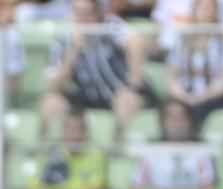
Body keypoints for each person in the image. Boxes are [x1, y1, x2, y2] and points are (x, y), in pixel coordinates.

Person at [40, 0, 151, 141]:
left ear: (98, 13)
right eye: (78, 14)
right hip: (83, 95)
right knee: (50, 102)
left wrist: (133, 87)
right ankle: (45, 152)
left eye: (87, 14)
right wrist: (73, 51)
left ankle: (116, 151)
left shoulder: (109, 26)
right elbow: (52, 86)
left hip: (116, 92)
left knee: (127, 101)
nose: (83, 20)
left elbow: (136, 42)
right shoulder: (64, 37)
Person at [166, 0, 223, 133]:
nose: (206, 12)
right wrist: (184, 96)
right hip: (185, 96)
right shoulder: (182, 40)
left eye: (210, 8)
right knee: (174, 109)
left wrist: (203, 96)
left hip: (214, 97)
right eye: (203, 7)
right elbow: (172, 78)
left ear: (216, 12)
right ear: (195, 10)